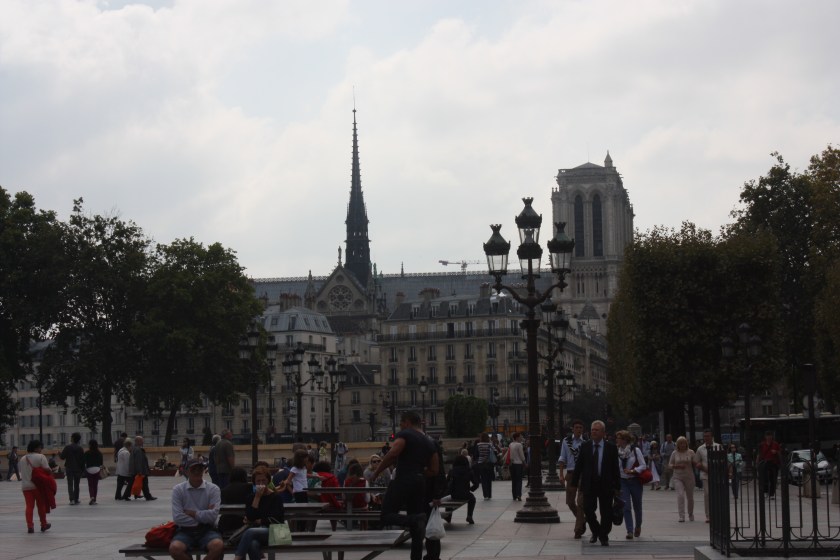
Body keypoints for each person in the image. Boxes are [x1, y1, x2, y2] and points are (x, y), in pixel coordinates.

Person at [371, 410, 439, 560]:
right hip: (419, 482)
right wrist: (419, 473)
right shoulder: (429, 441)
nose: (400, 426)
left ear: (407, 422)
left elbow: (393, 453)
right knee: (416, 529)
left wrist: (376, 472)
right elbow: (435, 469)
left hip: (403, 480)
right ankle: (416, 556)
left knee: (386, 515)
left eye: (401, 423)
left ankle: (414, 520)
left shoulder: (406, 435)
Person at [571, 420, 620, 547]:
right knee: (588, 509)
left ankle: (603, 536)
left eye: (597, 430)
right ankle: (597, 531)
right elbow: (579, 465)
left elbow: (615, 469)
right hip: (589, 484)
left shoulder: (611, 448)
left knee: (606, 513)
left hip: (605, 485)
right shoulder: (586, 446)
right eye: (592, 429)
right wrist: (574, 482)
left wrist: (617, 486)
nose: (593, 432)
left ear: (603, 433)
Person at [169, 458, 223, 560]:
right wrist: (203, 516)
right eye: (193, 469)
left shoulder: (213, 489)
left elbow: (213, 516)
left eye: (200, 469)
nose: (197, 472)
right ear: (186, 472)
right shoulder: (178, 489)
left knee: (217, 546)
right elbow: (178, 518)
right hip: (185, 530)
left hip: (207, 530)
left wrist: (192, 513)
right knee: (175, 548)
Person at [232, 465, 285, 560]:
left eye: (263, 480)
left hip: (274, 532)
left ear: (268, 481)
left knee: (250, 532)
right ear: (254, 483)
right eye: (258, 481)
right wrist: (257, 497)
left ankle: (237, 558)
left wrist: (260, 521)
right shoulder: (251, 497)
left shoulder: (275, 497)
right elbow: (250, 517)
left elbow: (277, 518)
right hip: (256, 533)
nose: (261, 483)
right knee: (252, 544)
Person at [558, 419, 587, 539]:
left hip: (582, 474)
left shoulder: (586, 443)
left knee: (581, 503)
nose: (579, 429)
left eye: (580, 427)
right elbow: (562, 457)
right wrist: (561, 474)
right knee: (570, 502)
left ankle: (578, 529)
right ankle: (582, 520)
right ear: (572, 429)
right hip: (570, 473)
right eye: (576, 427)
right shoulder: (566, 441)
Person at [616, 430, 646, 539]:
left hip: (635, 481)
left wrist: (632, 471)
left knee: (637, 506)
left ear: (624, 440)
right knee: (626, 506)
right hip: (623, 482)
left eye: (618, 438)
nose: (616, 440)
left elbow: (643, 465)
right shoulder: (616, 452)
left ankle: (638, 526)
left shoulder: (635, 450)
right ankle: (629, 531)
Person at [20, 440, 55, 533]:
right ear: (36, 448)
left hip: (26, 486)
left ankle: (30, 526)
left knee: (29, 506)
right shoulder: (41, 457)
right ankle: (43, 524)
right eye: (40, 447)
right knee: (41, 506)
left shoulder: (23, 458)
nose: (41, 449)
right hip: (38, 487)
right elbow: (47, 470)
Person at [693, 428, 722, 523]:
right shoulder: (700, 449)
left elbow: (723, 460)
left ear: (712, 436)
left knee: (717, 495)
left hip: (717, 474)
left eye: (708, 436)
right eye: (704, 436)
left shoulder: (718, 447)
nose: (706, 438)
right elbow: (695, 461)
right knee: (707, 494)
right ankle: (708, 515)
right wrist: (701, 467)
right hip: (705, 475)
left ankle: (717, 514)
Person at [669, 436, 696, 522]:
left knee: (690, 497)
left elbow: (696, 462)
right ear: (677, 444)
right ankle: (681, 516)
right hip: (678, 476)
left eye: (684, 443)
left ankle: (691, 514)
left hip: (689, 476)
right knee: (680, 495)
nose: (682, 445)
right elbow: (670, 465)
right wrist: (677, 466)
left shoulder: (691, 452)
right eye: (680, 443)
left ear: (686, 443)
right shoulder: (674, 453)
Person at [218, 468, 251, 535]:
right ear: (244, 476)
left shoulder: (223, 490)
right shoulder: (250, 487)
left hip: (226, 524)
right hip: (244, 523)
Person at [123, 435, 157, 501]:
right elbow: (138, 462)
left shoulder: (134, 449)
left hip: (135, 471)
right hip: (141, 471)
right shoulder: (138, 450)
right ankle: (148, 496)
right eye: (142, 441)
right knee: (144, 484)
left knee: (132, 483)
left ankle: (126, 495)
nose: (143, 442)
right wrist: (140, 472)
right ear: (138, 441)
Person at [445, 454, 475, 524]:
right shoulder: (469, 470)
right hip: (465, 494)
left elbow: (446, 483)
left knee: (449, 497)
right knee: (472, 499)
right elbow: (476, 484)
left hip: (453, 494)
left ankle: (448, 516)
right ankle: (469, 516)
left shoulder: (452, 471)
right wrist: (471, 489)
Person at [59, 432, 84, 505]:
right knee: (77, 484)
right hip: (78, 468)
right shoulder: (80, 448)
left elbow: (62, 457)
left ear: (72, 438)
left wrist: (59, 453)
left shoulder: (67, 447)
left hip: (69, 468)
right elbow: (82, 460)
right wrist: (82, 469)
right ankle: (76, 498)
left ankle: (72, 499)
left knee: (70, 484)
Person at [758, 431, 781, 498]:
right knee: (765, 478)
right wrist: (758, 463)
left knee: (773, 479)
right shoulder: (762, 445)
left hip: (774, 462)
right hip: (765, 462)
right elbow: (759, 454)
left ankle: (772, 494)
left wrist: (776, 452)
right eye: (767, 436)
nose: (769, 437)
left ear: (772, 436)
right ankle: (765, 491)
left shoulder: (775, 444)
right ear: (765, 437)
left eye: (770, 436)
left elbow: (779, 453)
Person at [82, 439, 104, 505]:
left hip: (89, 470)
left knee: (90, 485)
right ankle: (94, 499)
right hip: (97, 469)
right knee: (95, 485)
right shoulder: (99, 453)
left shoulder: (87, 453)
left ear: (90, 445)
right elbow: (101, 463)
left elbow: (84, 462)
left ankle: (91, 497)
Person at [474, 432, 495, 499]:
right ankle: (489, 495)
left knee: (483, 479)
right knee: (489, 479)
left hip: (481, 464)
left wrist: (479, 459)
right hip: (489, 463)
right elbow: (495, 451)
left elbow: (476, 455)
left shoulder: (478, 445)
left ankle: (485, 495)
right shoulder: (490, 444)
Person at [507, 432, 526, 501]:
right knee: (519, 480)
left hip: (512, 464)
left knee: (514, 480)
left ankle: (514, 495)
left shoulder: (510, 444)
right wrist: (524, 462)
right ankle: (518, 494)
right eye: (520, 437)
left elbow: (510, 455)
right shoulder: (519, 445)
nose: (521, 438)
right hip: (519, 464)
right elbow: (522, 455)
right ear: (517, 437)